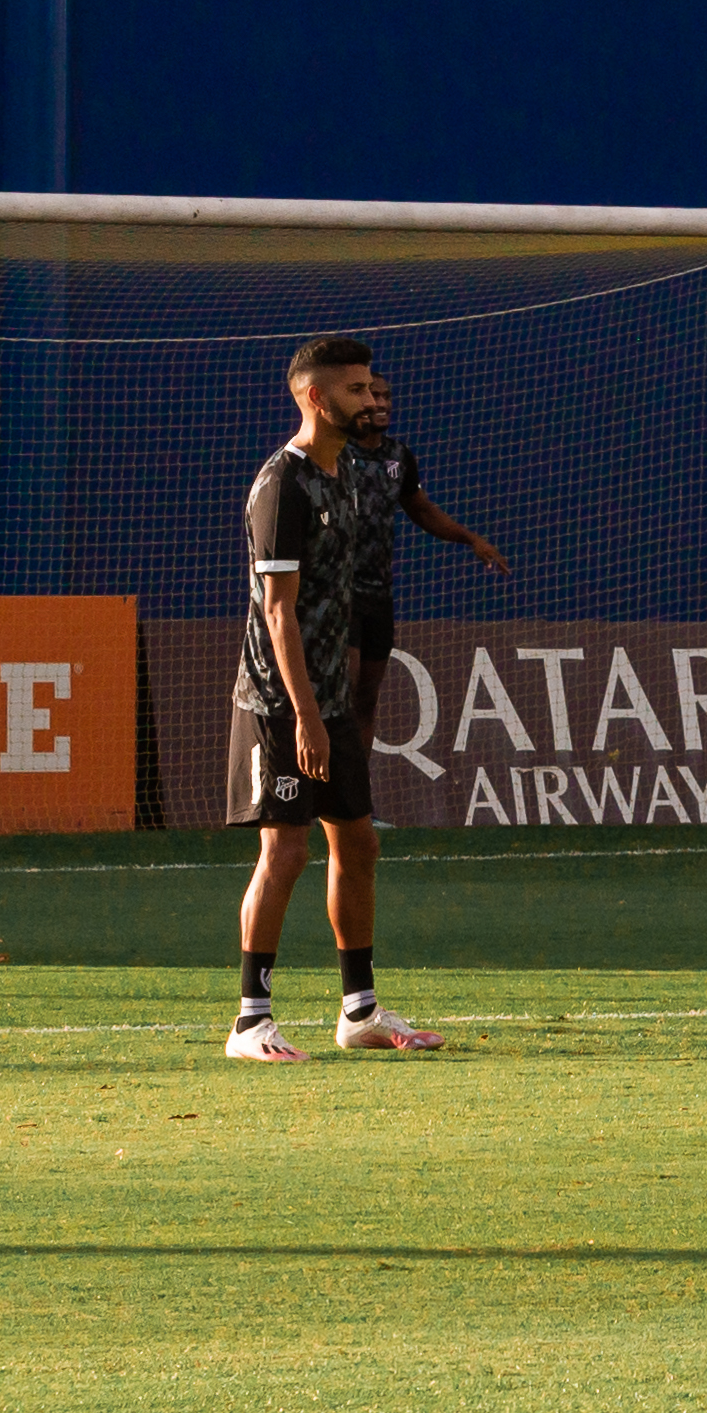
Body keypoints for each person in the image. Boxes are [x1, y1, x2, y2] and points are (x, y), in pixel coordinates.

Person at [232, 334, 442, 1059]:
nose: (369, 399)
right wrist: (308, 719)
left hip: (329, 699)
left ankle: (360, 1012)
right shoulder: (282, 485)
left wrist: (340, 700)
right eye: (354, 390)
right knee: (286, 850)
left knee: (358, 842)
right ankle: (250, 1020)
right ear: (316, 398)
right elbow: (279, 611)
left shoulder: (353, 472)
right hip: (280, 702)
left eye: (369, 387)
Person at [328, 346, 507, 816]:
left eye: (386, 396)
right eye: (371, 395)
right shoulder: (332, 453)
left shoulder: (398, 457)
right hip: (336, 597)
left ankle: (354, 806)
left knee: (366, 700)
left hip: (377, 597)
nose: (381, 403)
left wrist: (471, 539)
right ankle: (318, 801)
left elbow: (420, 509)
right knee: (338, 701)